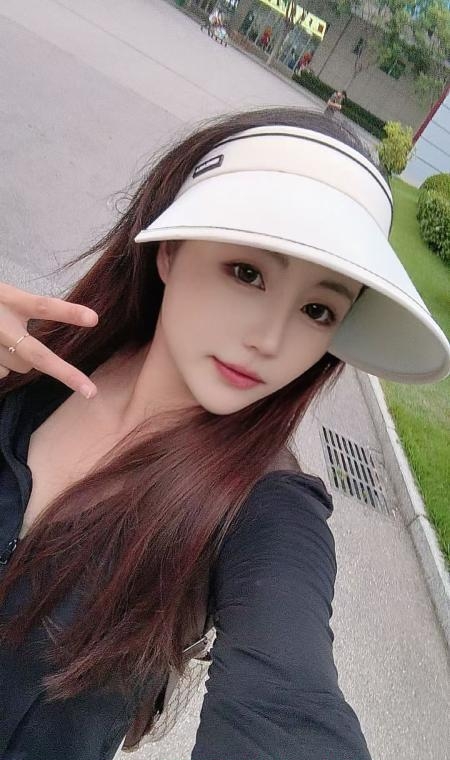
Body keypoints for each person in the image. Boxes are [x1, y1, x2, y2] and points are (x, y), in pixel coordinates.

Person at [0, 107, 449, 760]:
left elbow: (288, 701)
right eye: (247, 273)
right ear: (171, 250)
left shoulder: (267, 511)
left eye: (317, 309)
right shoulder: (34, 366)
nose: (270, 339)